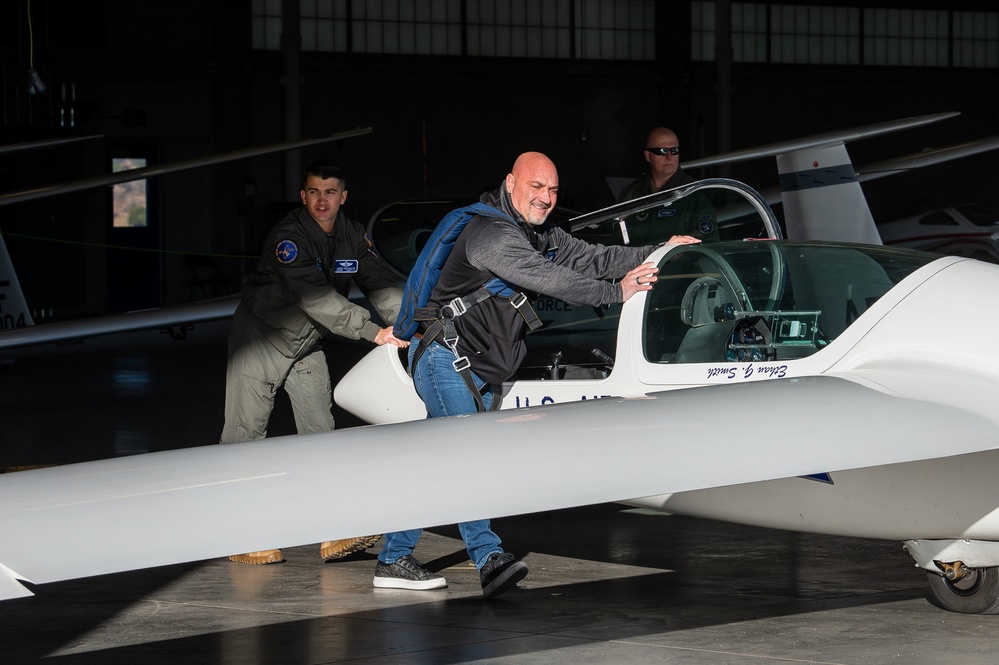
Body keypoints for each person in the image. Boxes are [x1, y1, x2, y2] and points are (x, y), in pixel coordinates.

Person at [373, 152, 700, 598]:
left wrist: (661, 250)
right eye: (536, 187)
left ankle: (393, 559)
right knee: (467, 455)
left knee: (440, 464)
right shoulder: (492, 235)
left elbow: (592, 257)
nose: (545, 198)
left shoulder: (538, 233)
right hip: (446, 359)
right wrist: (615, 293)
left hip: (479, 366)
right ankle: (489, 558)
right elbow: (553, 280)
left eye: (552, 190)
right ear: (510, 184)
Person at [221, 159, 408, 565]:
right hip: (262, 340)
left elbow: (377, 282)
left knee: (320, 435)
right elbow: (314, 297)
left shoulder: (352, 235)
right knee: (244, 436)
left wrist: (409, 324)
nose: (322, 201)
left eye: (330, 192)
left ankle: (332, 532)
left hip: (306, 343)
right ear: (303, 196)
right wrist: (371, 330)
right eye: (314, 192)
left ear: (343, 197)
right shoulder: (288, 238)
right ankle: (239, 536)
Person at [618, 126, 719, 244]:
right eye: (663, 151)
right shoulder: (631, 193)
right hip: (635, 262)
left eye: (674, 150)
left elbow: (708, 249)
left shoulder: (693, 195)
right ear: (647, 155)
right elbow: (615, 241)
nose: (669, 157)